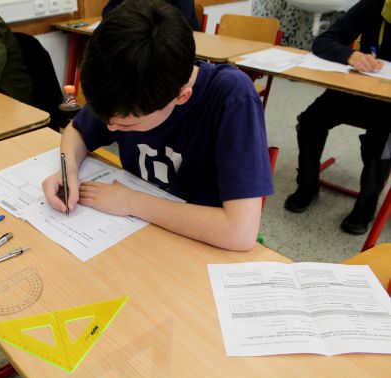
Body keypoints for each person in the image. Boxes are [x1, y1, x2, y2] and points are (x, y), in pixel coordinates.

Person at [42, 0, 273, 251]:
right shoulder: (124, 85)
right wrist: (70, 170)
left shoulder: (231, 97)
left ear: (181, 96)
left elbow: (240, 233)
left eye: (125, 125)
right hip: (139, 234)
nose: (110, 129)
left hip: (202, 246)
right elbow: (77, 131)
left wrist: (133, 202)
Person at [284, 0, 391, 235]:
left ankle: (366, 206)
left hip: (389, 104)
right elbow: (323, 42)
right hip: (355, 90)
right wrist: (351, 55)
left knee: (381, 144)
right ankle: (308, 185)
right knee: (311, 121)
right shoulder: (373, 5)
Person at [102, 0, 201, 31]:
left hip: (176, 40)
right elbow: (109, 8)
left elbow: (178, 19)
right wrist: (124, 19)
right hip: (137, 34)